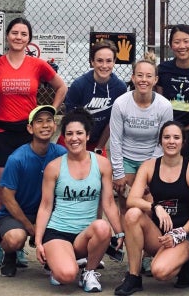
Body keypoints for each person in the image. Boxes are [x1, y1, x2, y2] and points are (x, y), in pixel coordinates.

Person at [0, 16, 67, 266]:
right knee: (2, 193)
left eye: (23, 34)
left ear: (29, 39)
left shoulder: (37, 65)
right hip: (1, 133)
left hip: (27, 132)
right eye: (14, 33)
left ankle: (23, 245)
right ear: (7, 36)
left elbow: (61, 87)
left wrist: (50, 113)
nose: (18, 37)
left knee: (29, 190)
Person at [114, 121, 189, 295]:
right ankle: (133, 277)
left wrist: (179, 234)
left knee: (160, 272)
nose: (171, 141)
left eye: (176, 137)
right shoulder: (149, 166)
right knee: (133, 214)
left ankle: (184, 264)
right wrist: (155, 206)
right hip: (158, 235)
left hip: (185, 236)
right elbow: (132, 199)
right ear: (160, 141)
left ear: (183, 141)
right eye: (166, 137)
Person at [35, 111, 124, 292]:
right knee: (66, 275)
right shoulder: (54, 167)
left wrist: (120, 232)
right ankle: (59, 263)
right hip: (58, 232)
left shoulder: (102, 164)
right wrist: (38, 242)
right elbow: (45, 206)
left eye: (79, 133)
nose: (74, 138)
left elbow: (108, 203)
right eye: (69, 134)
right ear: (63, 137)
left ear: (88, 135)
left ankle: (89, 272)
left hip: (85, 235)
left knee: (102, 227)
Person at [0, 104, 66, 278]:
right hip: (15, 215)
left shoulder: (62, 154)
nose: (45, 125)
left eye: (49, 121)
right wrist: (30, 228)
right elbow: (7, 198)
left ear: (55, 126)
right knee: (15, 239)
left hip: (49, 214)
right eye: (39, 122)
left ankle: (53, 257)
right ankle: (9, 255)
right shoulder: (17, 158)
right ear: (30, 128)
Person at [108, 58, 174, 195]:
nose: (144, 80)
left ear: (155, 80)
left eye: (149, 76)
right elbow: (115, 140)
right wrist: (118, 173)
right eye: (139, 75)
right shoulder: (120, 103)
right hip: (126, 159)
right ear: (133, 78)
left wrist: (149, 168)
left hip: (152, 159)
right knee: (127, 206)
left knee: (150, 206)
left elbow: (164, 141)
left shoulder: (165, 106)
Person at [156, 25, 189, 163]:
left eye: (186, 41)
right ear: (170, 45)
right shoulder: (163, 70)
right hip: (168, 133)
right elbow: (159, 101)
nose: (182, 46)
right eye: (177, 42)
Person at [64, 39, 128, 153]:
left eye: (109, 61)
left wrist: (99, 147)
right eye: (99, 61)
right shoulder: (79, 85)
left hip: (97, 142)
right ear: (92, 62)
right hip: (73, 139)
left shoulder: (120, 88)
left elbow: (112, 122)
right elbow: (70, 121)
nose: (104, 66)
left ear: (114, 62)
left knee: (102, 168)